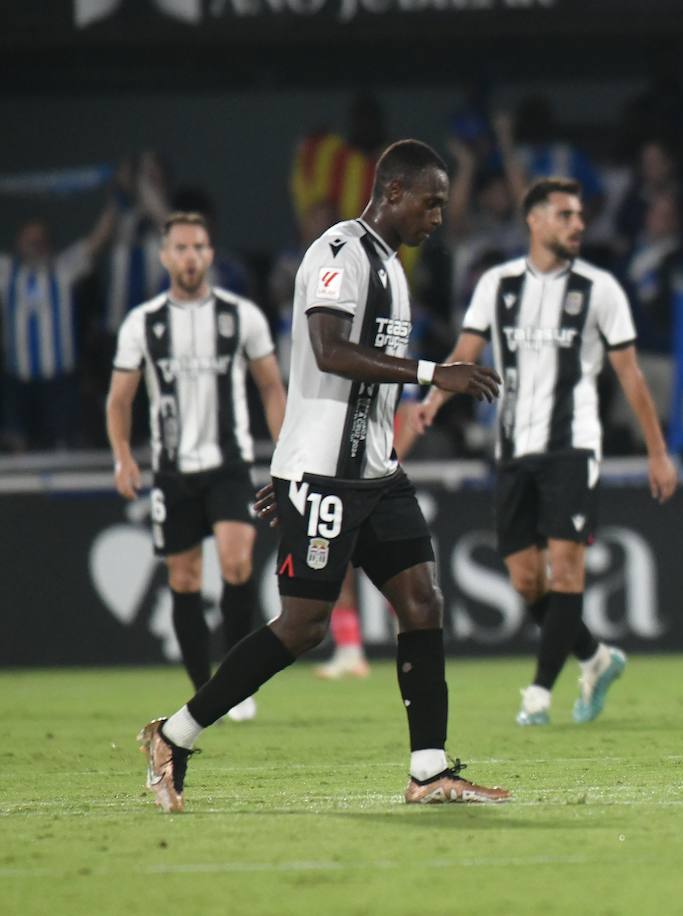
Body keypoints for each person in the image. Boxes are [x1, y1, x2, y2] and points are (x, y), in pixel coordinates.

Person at [137, 140, 508, 812]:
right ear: (392, 192)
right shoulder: (339, 253)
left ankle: (428, 772)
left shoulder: (394, 268)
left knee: (422, 603)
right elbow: (331, 351)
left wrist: (292, 469)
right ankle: (173, 734)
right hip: (327, 476)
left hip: (372, 471)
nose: (437, 217)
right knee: (305, 626)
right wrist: (432, 373)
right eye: (430, 203)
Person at [416, 177, 678, 727]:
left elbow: (629, 375)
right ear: (534, 221)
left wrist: (658, 452)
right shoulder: (498, 284)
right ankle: (597, 658)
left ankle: (538, 693)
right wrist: (434, 399)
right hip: (513, 448)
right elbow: (467, 349)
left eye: (580, 215)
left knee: (565, 573)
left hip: (572, 446)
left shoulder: (600, 289)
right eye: (565, 215)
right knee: (526, 580)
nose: (578, 224)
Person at [108, 212, 286, 721]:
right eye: (181, 248)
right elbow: (120, 399)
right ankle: (203, 688)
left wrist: (285, 449)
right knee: (184, 579)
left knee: (237, 562)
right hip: (171, 471)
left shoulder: (239, 316)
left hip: (229, 464)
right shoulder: (143, 323)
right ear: (165, 256)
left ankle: (236, 682)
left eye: (199, 247)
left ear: (210, 254)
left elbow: (271, 385)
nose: (190, 257)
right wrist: (123, 456)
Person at [1, 206, 116, 450]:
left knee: (64, 447)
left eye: (40, 239)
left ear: (50, 243)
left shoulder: (63, 268)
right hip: (18, 384)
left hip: (60, 384)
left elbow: (97, 241)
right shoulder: (7, 273)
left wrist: (116, 202)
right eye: (29, 239)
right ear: (19, 242)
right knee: (17, 449)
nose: (35, 244)